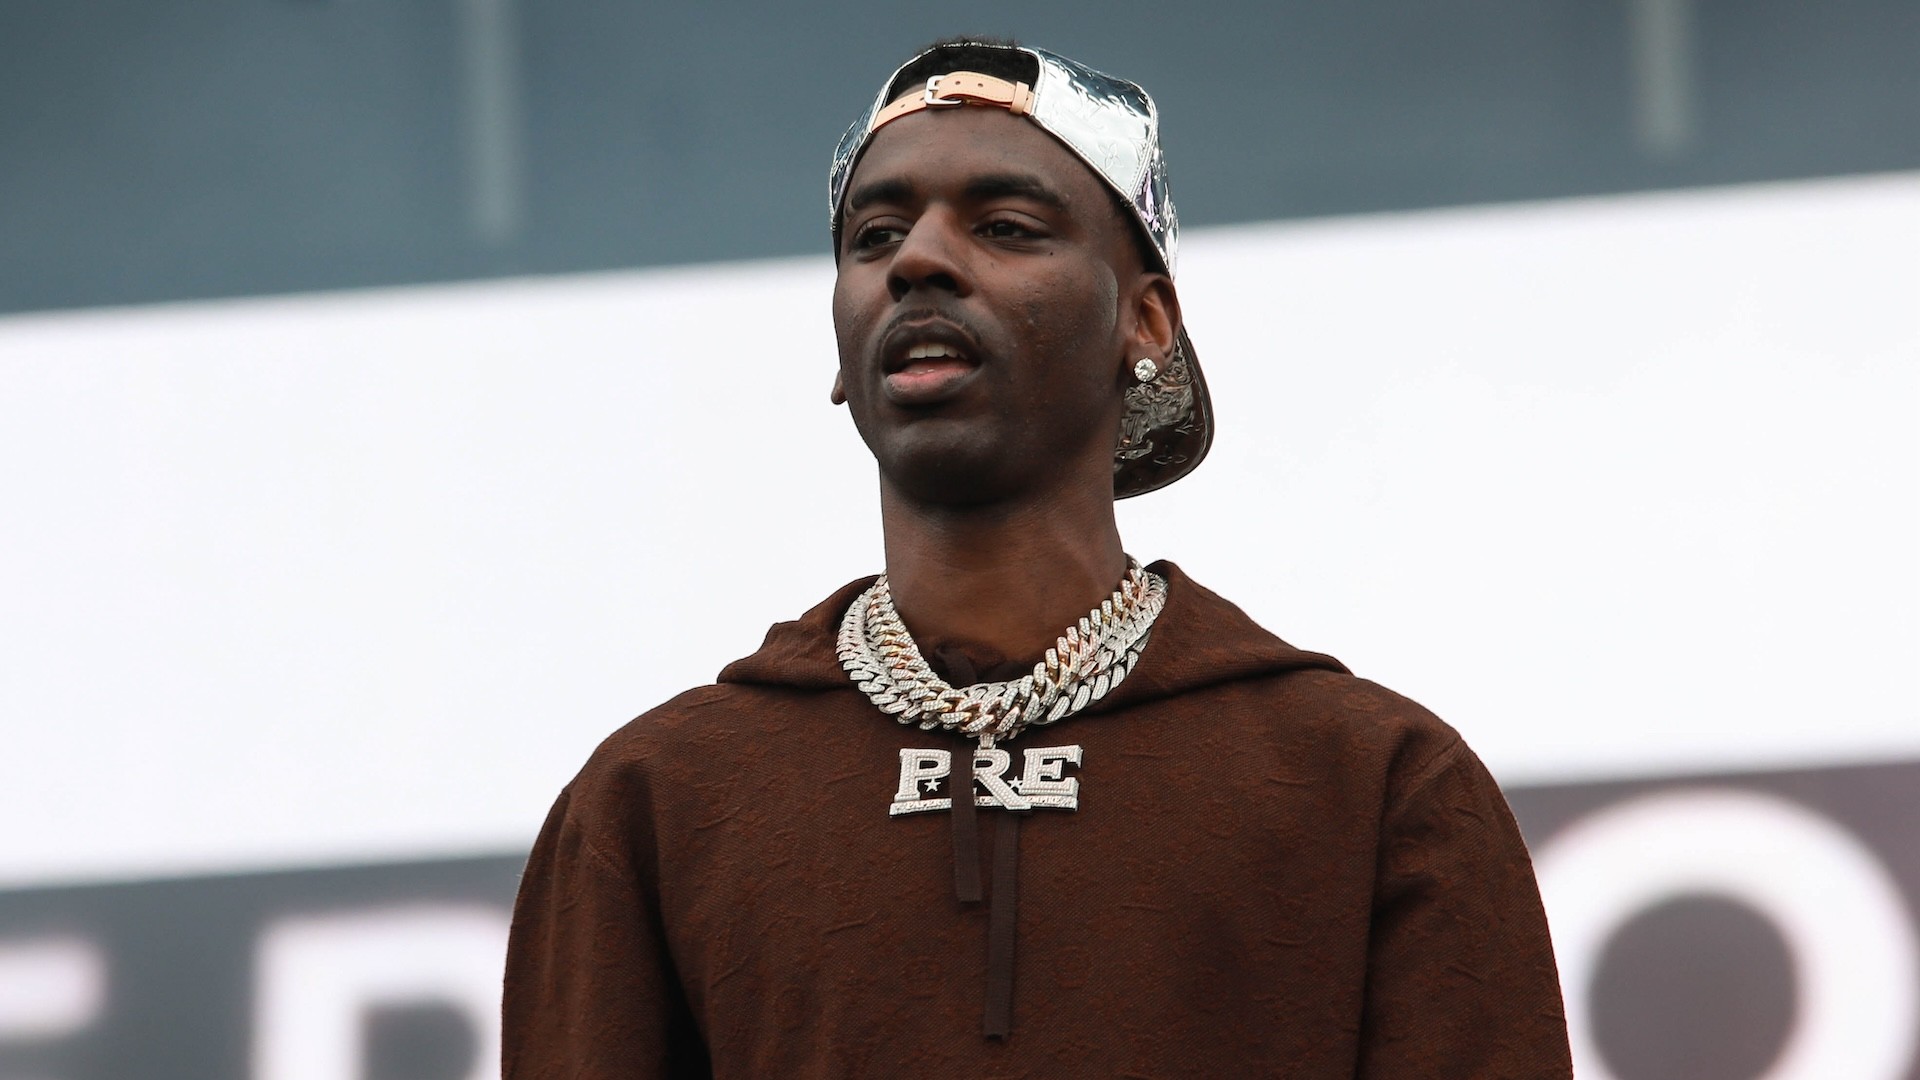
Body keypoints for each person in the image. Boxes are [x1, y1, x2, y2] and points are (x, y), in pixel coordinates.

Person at [503, 39, 1572, 1078]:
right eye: (874, 238)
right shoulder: (656, 800)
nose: (918, 260)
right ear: (840, 348)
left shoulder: (1375, 783)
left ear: (1144, 320)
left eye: (1006, 226)